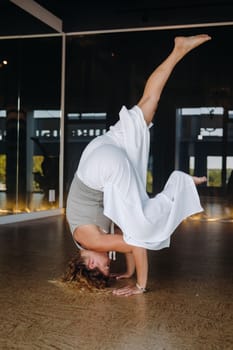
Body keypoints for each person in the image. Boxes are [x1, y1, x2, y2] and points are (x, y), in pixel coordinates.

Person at [66, 34, 211, 296]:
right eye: (111, 270)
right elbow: (123, 226)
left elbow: (136, 242)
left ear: (89, 262)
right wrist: (130, 271)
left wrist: (140, 285)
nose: (109, 265)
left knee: (143, 225)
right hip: (97, 153)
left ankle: (181, 183)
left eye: (103, 268)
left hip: (104, 167)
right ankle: (178, 50)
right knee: (149, 103)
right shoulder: (87, 237)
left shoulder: (91, 240)